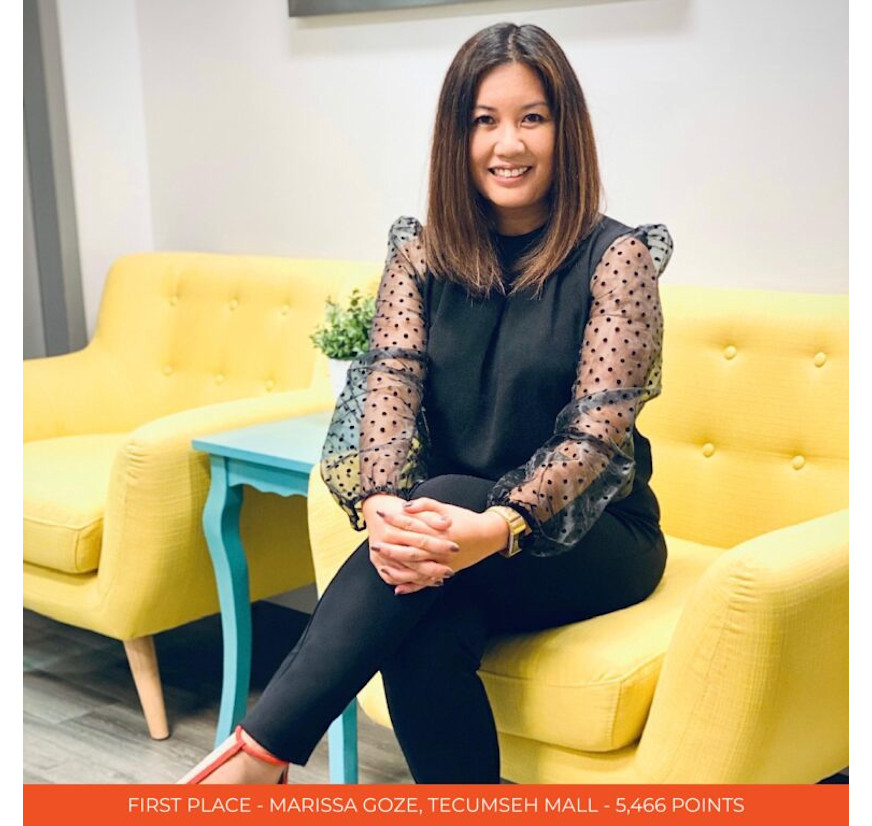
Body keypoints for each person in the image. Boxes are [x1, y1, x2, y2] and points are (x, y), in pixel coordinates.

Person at [180, 21, 673, 786]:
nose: (508, 143)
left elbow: (595, 436)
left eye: (532, 118)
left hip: (590, 536)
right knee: (422, 629)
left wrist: (498, 524)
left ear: (565, 130)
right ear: (456, 136)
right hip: (448, 535)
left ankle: (258, 756)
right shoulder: (420, 255)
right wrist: (381, 500)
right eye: (484, 120)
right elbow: (390, 382)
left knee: (441, 502)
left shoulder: (616, 258)